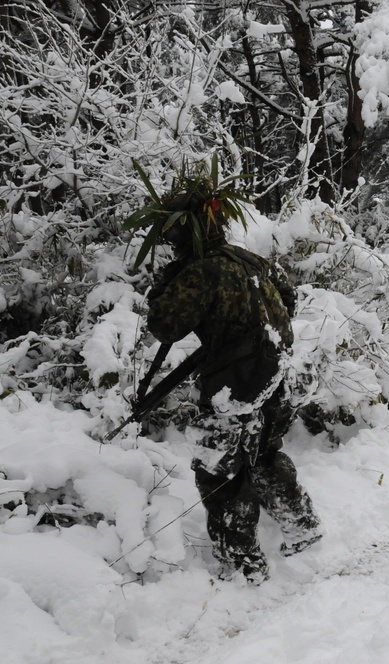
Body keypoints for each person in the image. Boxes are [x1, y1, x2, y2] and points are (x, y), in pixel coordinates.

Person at [138, 176, 322, 585]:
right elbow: (289, 300)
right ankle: (302, 527)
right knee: (265, 454)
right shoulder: (247, 259)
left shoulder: (201, 272)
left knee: (219, 473)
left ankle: (243, 566)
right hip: (276, 376)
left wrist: (167, 284)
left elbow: (165, 325)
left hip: (234, 390)